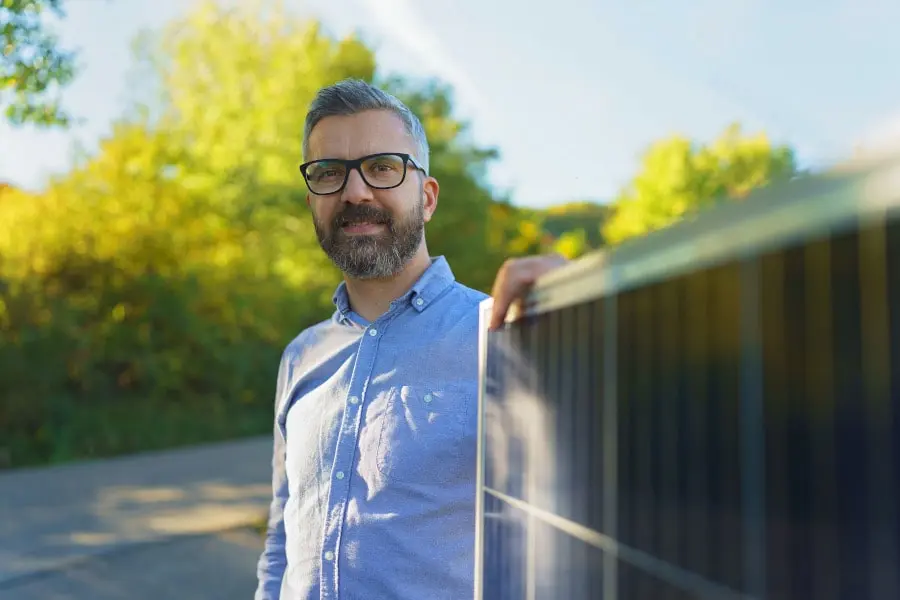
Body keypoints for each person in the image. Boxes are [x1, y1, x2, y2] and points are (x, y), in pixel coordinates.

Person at [254, 79, 568, 600]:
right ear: (313, 200)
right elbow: (282, 539)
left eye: (381, 167)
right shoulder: (300, 356)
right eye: (331, 173)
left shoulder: (506, 333)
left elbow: (612, 496)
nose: (355, 192)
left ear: (426, 197)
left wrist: (590, 307)